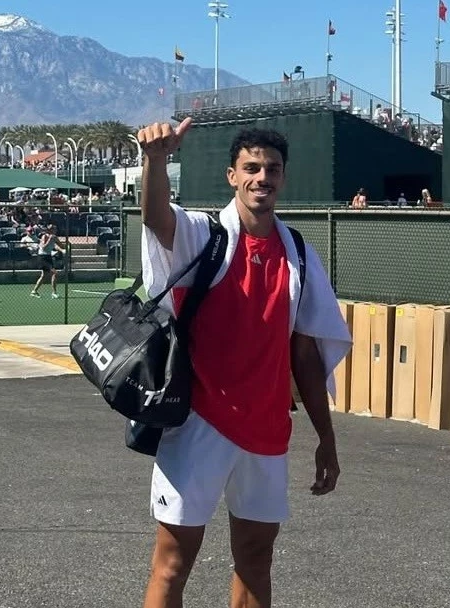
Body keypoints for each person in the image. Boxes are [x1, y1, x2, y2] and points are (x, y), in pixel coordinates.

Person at [136, 119, 351, 608]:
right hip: (198, 425)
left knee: (256, 560)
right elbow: (155, 219)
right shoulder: (204, 235)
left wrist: (326, 438)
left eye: (271, 169)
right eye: (251, 167)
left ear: (284, 178)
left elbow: (306, 355)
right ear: (231, 175)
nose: (262, 177)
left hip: (267, 433)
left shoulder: (297, 252)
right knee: (172, 562)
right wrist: (155, 160)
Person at [30, 224, 64, 298]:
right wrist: (49, 240)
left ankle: (34, 291)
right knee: (54, 273)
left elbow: (61, 246)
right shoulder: (44, 236)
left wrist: (63, 247)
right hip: (42, 256)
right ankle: (54, 293)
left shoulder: (54, 237)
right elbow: (43, 247)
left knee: (44, 275)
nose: (56, 230)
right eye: (54, 229)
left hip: (48, 256)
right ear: (50, 230)